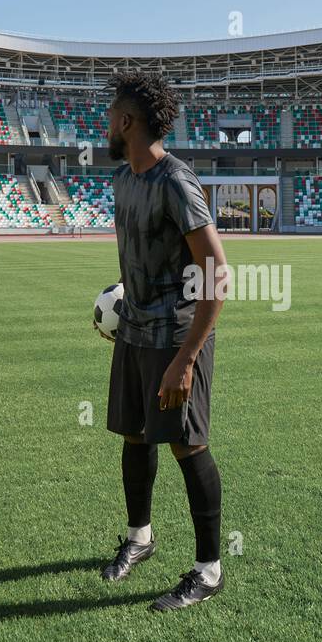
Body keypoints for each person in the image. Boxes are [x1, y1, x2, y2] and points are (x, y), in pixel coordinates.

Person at [95, 71, 229, 611]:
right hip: (134, 330)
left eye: (110, 116)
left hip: (177, 337)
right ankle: (139, 539)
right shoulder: (124, 177)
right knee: (133, 435)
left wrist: (187, 357)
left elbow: (216, 274)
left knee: (186, 444)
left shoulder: (177, 181)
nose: (105, 125)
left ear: (126, 122)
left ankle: (209, 570)